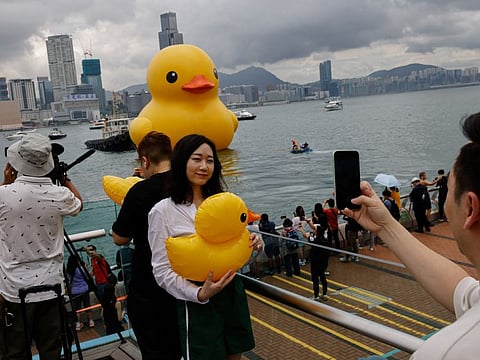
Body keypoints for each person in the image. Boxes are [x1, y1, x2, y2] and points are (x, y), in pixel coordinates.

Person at [343, 112, 480, 359]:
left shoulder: (446, 353)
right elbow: (463, 292)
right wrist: (385, 226)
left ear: (470, 208)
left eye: (449, 189)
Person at [148, 134, 261, 360]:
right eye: (197, 159)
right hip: (197, 301)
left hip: (231, 291)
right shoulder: (163, 211)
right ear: (181, 162)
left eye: (210, 160)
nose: (204, 166)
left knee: (235, 354)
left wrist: (256, 245)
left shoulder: (224, 201)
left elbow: (237, 246)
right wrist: (198, 293)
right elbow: (161, 270)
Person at [0, 133, 82, 360]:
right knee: (51, 350)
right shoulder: (60, 195)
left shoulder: (3, 195)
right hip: (52, 286)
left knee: (14, 352)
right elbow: (79, 203)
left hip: (14, 290)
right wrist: (64, 178)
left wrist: (7, 182)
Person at [111, 131, 181, 360]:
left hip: (149, 286)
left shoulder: (138, 192)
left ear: (145, 161)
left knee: (155, 351)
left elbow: (119, 237)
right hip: (185, 281)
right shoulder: (188, 184)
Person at [66, 255, 94, 331]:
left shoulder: (68, 270)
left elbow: (68, 281)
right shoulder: (81, 269)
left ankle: (78, 324)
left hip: (74, 291)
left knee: (77, 309)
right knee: (87, 306)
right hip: (84, 289)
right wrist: (86, 267)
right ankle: (91, 321)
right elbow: (88, 276)